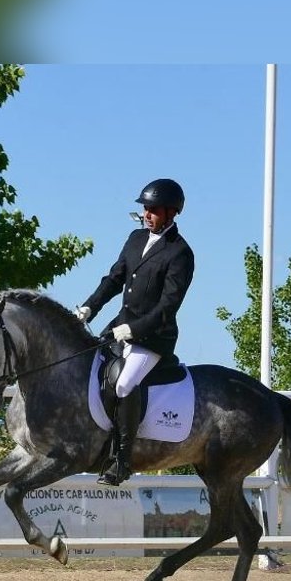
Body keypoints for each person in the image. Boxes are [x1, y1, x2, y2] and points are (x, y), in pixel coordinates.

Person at [75, 178, 195, 485]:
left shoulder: (180, 253)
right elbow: (114, 279)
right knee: (87, 369)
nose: (147, 214)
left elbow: (169, 305)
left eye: (153, 209)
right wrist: (90, 306)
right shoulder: (135, 239)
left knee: (125, 384)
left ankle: (122, 459)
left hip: (153, 338)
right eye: (145, 208)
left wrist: (134, 329)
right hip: (119, 327)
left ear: (172, 213)